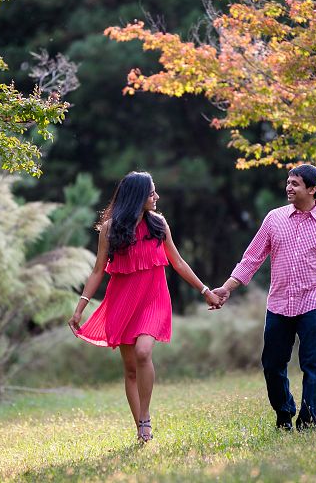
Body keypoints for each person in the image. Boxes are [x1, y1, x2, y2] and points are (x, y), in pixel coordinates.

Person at [69, 171, 222, 442]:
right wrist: (81, 308)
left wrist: (205, 290)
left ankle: (146, 418)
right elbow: (97, 272)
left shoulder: (159, 225)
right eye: (152, 192)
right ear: (138, 196)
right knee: (129, 369)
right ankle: (140, 428)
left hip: (154, 299)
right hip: (122, 301)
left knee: (143, 352)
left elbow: (178, 262)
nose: (157, 197)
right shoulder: (110, 229)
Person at [212, 164, 316, 431]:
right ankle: (284, 413)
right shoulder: (274, 219)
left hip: (314, 303)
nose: (289, 187)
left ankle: (308, 419)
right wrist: (227, 287)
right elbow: (252, 258)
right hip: (279, 304)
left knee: (313, 365)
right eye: (288, 182)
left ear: (312, 189)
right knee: (272, 364)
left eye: (296, 184)